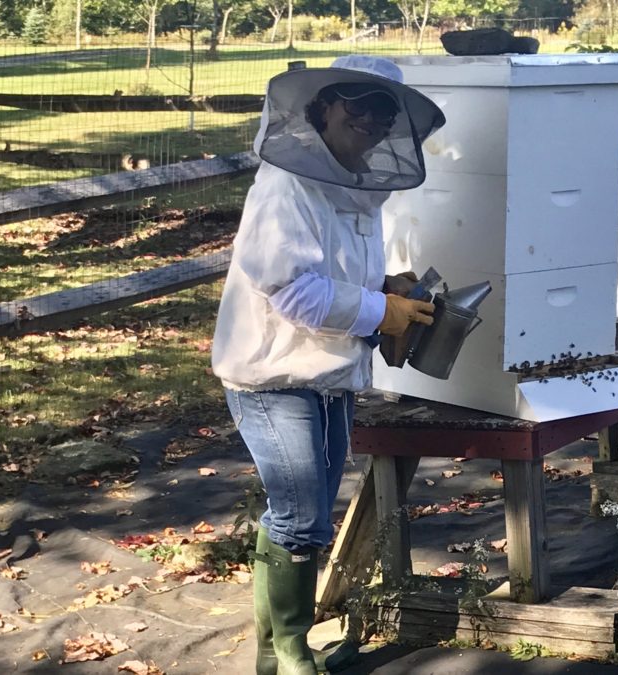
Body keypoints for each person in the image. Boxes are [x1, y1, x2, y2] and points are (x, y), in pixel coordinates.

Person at [211, 55, 446, 675]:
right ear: (322, 108)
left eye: (383, 110)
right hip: (272, 376)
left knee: (302, 511)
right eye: (356, 104)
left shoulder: (358, 186)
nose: (369, 120)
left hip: (329, 373)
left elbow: (335, 272)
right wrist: (379, 310)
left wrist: (387, 285)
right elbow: (290, 289)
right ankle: (289, 652)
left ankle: (276, 650)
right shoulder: (287, 185)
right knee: (300, 514)